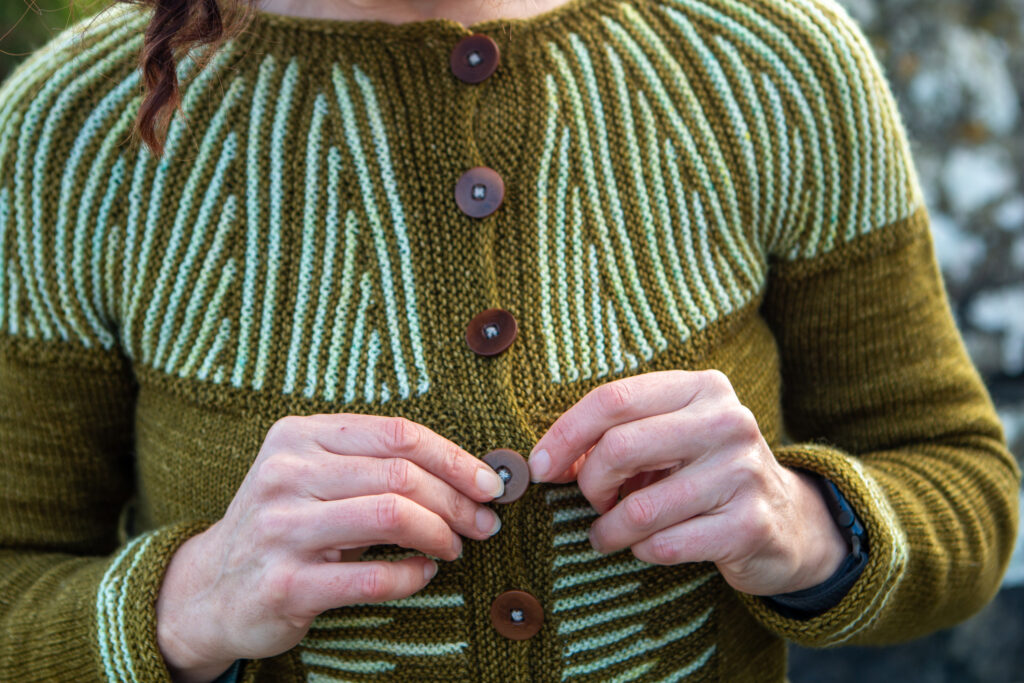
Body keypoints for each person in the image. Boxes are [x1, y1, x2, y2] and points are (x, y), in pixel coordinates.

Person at [0, 0, 1019, 679]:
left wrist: (803, 525)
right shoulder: (72, 132)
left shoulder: (772, 65)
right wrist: (184, 602)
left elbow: (964, 484)